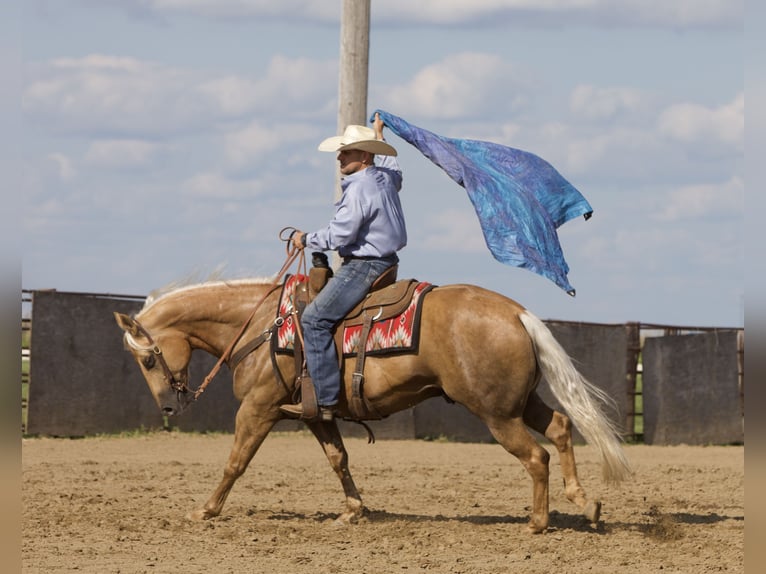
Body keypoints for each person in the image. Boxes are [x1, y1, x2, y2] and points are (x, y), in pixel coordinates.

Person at [280, 113, 407, 421]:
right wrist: (379, 135)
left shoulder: (360, 187)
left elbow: (341, 234)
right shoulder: (383, 178)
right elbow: (394, 168)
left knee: (313, 320)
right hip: (387, 262)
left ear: (363, 156)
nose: (339, 156)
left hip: (364, 266)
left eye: (346, 151)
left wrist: (305, 238)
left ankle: (324, 401)